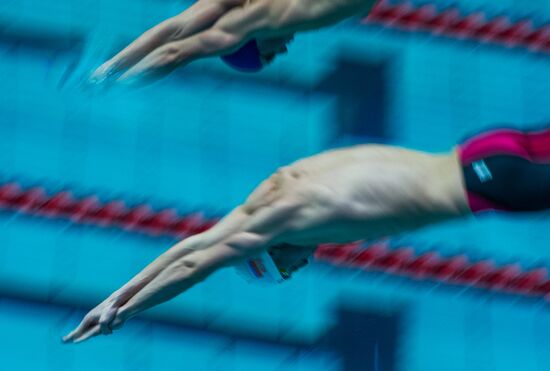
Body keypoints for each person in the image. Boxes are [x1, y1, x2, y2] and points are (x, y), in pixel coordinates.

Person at [62, 126, 550, 343]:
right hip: (480, 149)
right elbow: (193, 244)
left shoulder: (289, 218)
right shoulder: (278, 187)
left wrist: (125, 310)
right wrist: (115, 298)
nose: (303, 265)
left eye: (286, 267)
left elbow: (196, 263)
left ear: (269, 251)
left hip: (490, 184)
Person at [88, 0, 379, 84]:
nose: (284, 49)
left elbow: (173, 47)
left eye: (271, 55)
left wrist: (111, 79)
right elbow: (174, 33)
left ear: (245, 41)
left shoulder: (261, 18)